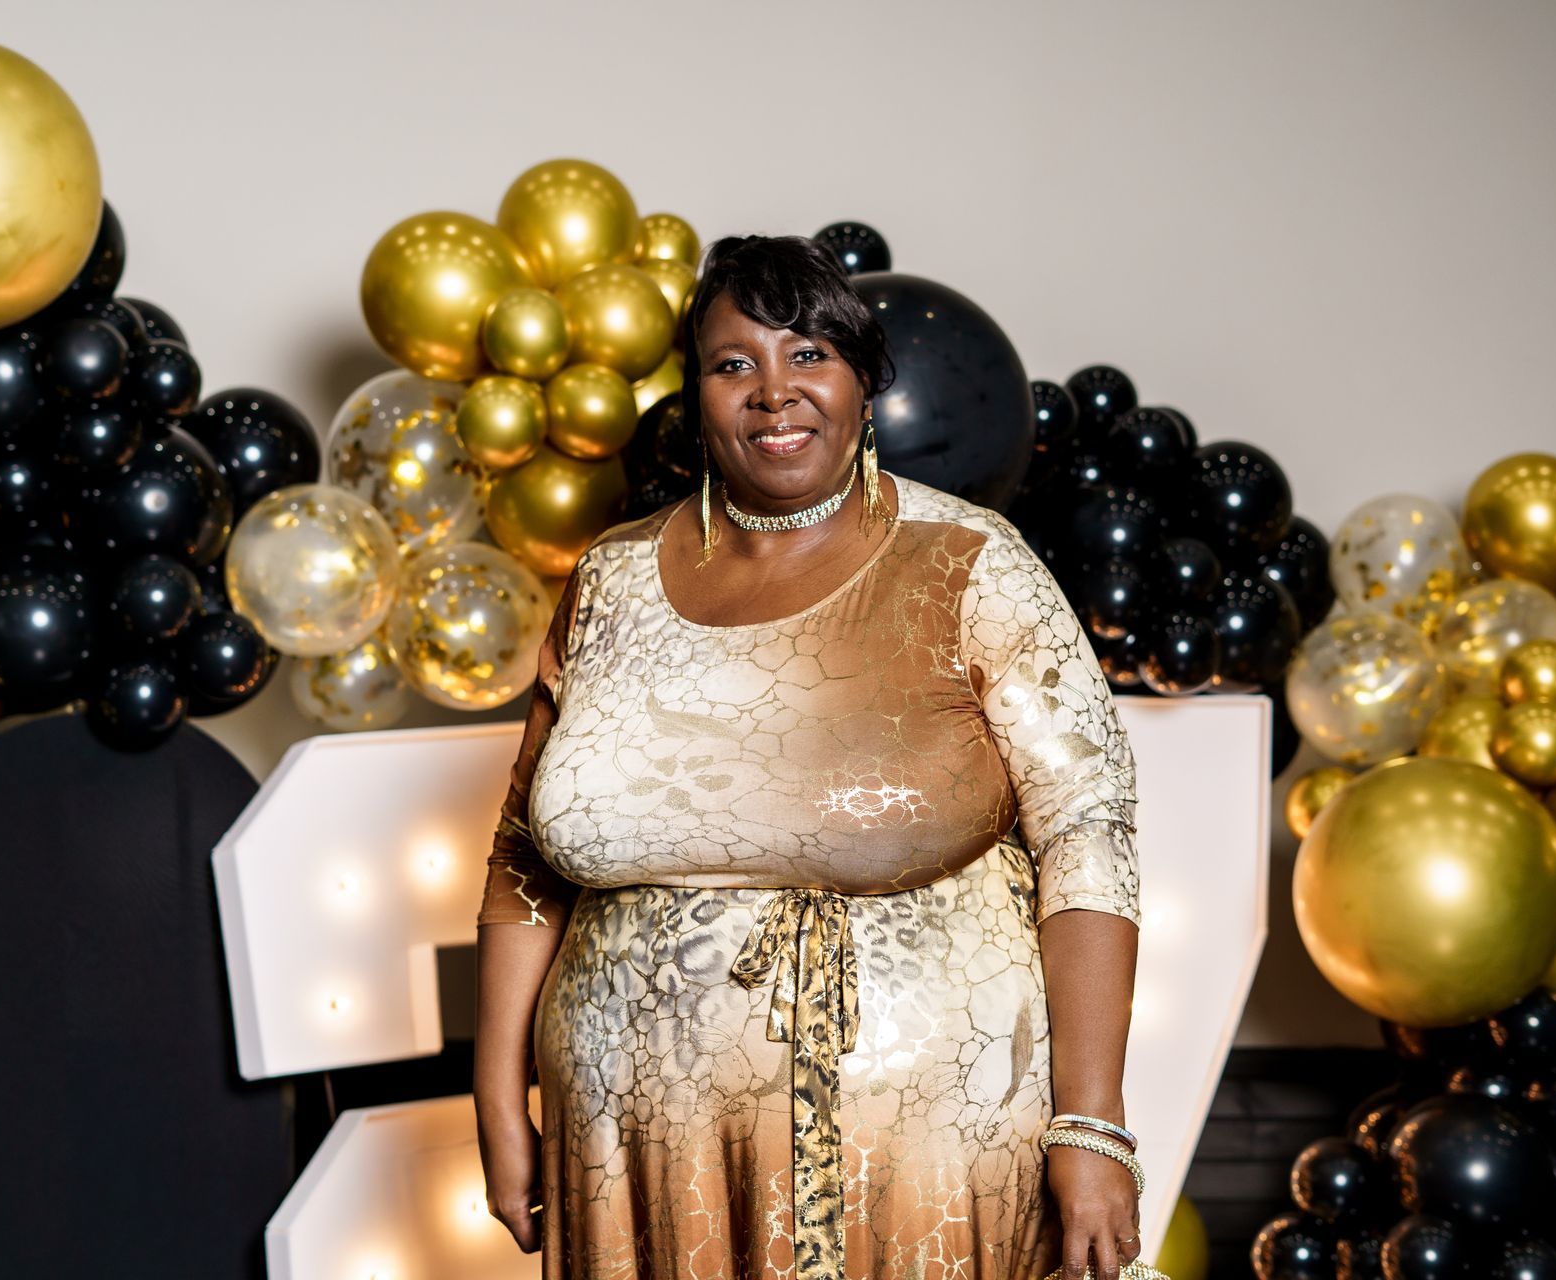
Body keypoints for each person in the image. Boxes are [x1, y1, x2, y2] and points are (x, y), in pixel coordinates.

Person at [475, 234, 1145, 1280]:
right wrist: (496, 1094)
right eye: (733, 362)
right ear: (696, 393)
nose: (773, 392)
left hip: (919, 1151)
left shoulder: (972, 562)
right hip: (628, 1153)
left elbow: (1088, 836)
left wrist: (1091, 1123)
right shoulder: (608, 579)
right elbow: (523, 860)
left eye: (810, 355)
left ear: (865, 382)